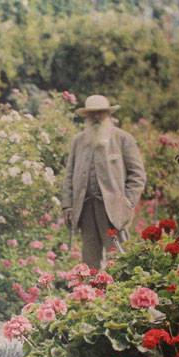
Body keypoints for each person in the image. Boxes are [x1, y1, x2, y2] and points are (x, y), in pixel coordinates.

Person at [61, 94, 146, 269]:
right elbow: (69, 175)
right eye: (92, 114)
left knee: (119, 257)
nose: (97, 117)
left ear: (108, 114)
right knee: (90, 260)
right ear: (86, 116)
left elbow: (137, 175)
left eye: (100, 113)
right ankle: (91, 294)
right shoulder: (79, 141)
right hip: (86, 209)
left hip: (113, 210)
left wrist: (127, 202)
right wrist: (68, 206)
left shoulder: (123, 139)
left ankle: (122, 293)